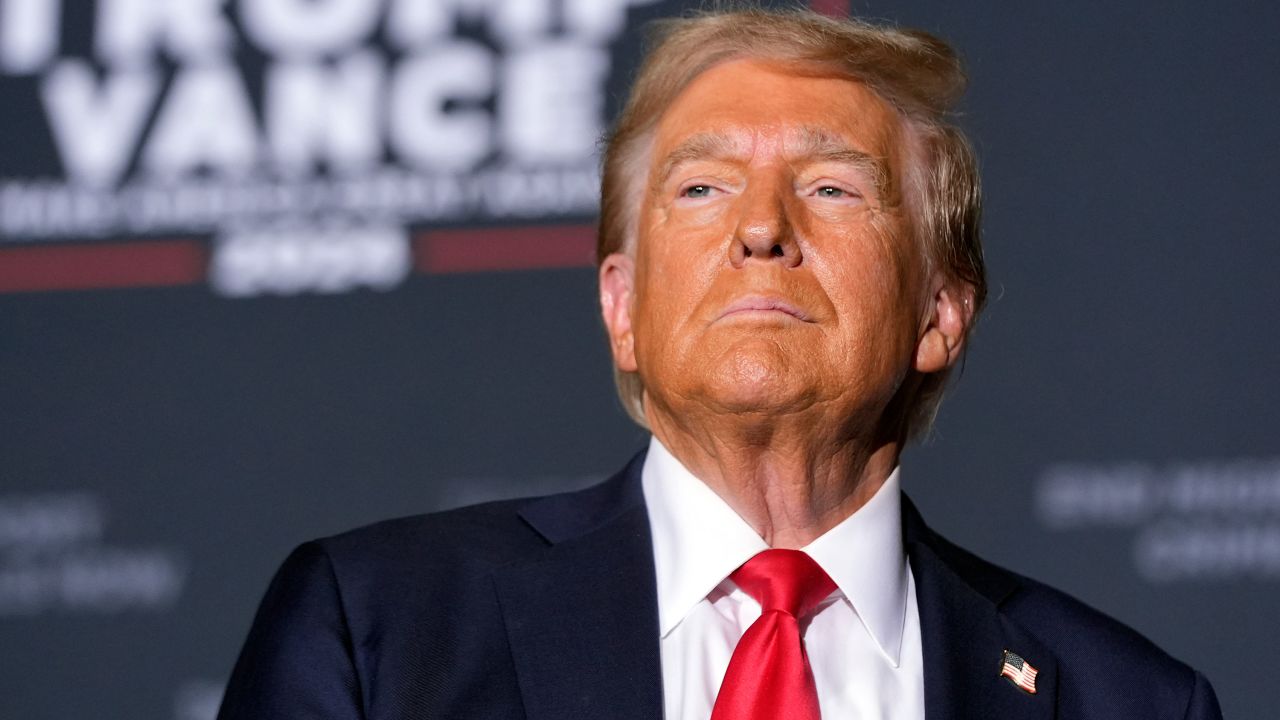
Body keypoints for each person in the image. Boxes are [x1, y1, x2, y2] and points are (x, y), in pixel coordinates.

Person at [218, 8, 1222, 720]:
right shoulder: (377, 632)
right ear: (621, 308)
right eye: (699, 188)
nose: (759, 228)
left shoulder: (1124, 700)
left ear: (938, 313)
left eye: (831, 189)